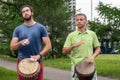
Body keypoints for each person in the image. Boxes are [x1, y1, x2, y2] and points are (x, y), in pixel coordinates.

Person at [10, 5, 51, 80]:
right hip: (22, 63)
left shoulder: (41, 28)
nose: (25, 13)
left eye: (27, 10)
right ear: (22, 15)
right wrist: (20, 42)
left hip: (36, 61)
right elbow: (12, 47)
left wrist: (39, 55)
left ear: (32, 13)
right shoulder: (18, 29)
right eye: (23, 12)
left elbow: (48, 45)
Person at [62, 13, 101, 80]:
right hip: (76, 65)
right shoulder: (71, 35)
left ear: (86, 21)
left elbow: (98, 48)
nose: (79, 21)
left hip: (90, 65)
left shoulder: (92, 34)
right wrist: (73, 46)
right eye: (77, 20)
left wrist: (92, 56)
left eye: (81, 19)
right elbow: (64, 51)